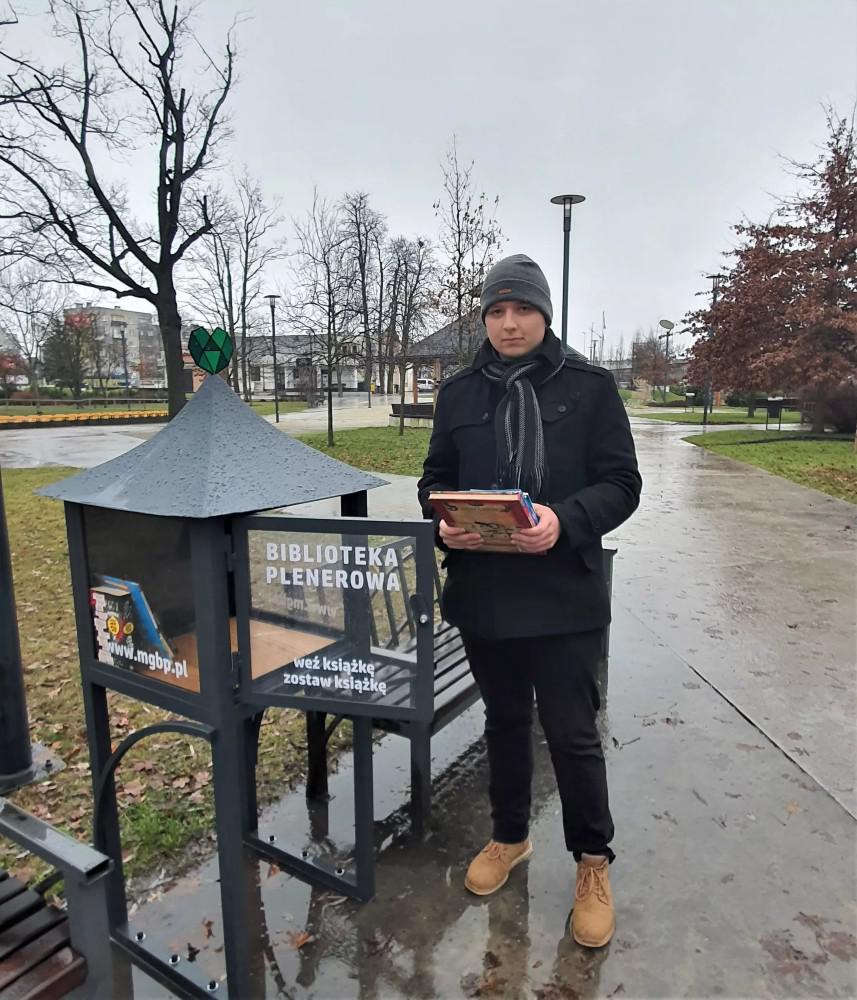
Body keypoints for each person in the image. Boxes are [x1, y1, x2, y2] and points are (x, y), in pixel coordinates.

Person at [417, 254, 641, 948]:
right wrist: (441, 519)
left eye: (522, 310)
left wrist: (564, 520)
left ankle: (592, 863)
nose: (509, 323)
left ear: (544, 315)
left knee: (572, 736)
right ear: (484, 317)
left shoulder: (590, 387)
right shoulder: (458, 394)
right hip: (486, 596)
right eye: (496, 311)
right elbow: (434, 478)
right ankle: (509, 836)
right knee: (505, 722)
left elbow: (621, 483)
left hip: (563, 595)